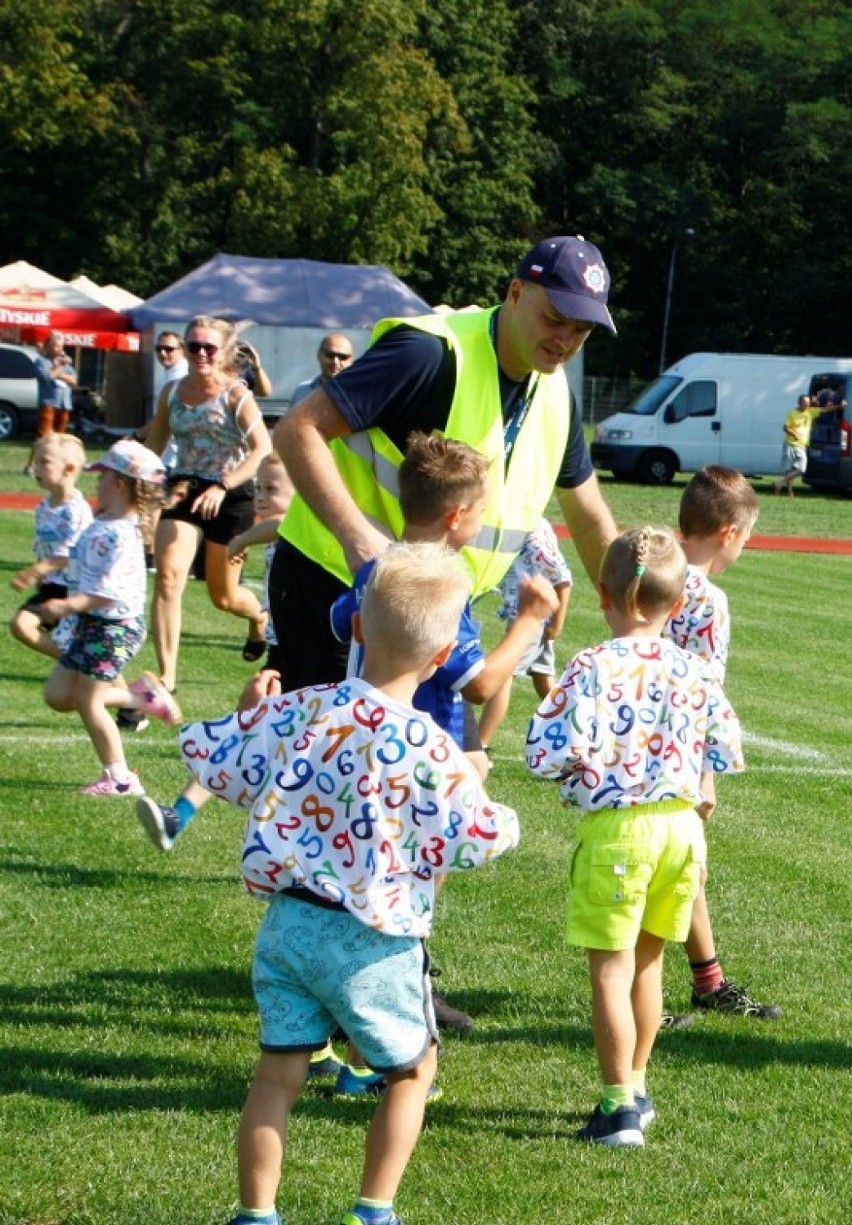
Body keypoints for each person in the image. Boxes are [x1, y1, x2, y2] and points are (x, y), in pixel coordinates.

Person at [176, 542, 520, 1225]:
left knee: (277, 1075)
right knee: (412, 1071)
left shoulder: (303, 709)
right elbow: (480, 837)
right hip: (375, 938)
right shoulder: (429, 745)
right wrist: (491, 802)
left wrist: (250, 709)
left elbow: (214, 761)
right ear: (443, 652)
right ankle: (372, 1210)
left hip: (289, 926)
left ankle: (256, 1213)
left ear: (356, 626)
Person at [269, 234, 618, 700]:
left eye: (582, 331)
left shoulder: (556, 396)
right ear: (515, 293)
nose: (565, 341)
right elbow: (297, 430)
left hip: (431, 610)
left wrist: (632, 619)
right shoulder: (428, 352)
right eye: (555, 319)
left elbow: (590, 518)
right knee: (337, 762)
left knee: (458, 766)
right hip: (333, 586)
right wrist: (359, 542)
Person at [526, 526, 744, 1146]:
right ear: (679, 607)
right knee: (650, 965)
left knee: (610, 971)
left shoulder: (591, 666)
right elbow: (724, 746)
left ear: (602, 594)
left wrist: (584, 769)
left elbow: (544, 753)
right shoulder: (695, 669)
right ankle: (638, 1085)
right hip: (682, 830)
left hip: (619, 831)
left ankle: (618, 1105)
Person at [662, 465, 780, 1021]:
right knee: (669, 867)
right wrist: (707, 770)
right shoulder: (707, 598)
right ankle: (650, 993)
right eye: (746, 539)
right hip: (675, 756)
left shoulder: (649, 569)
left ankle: (709, 980)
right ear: (730, 532)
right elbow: (704, 690)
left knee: (687, 868)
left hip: (631, 746)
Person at [35, 440, 183, 797]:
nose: (96, 482)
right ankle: (141, 698)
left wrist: (65, 607)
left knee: (89, 700)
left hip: (113, 629)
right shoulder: (104, 522)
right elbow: (79, 560)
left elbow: (109, 593)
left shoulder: (119, 534)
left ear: (119, 484)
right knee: (58, 695)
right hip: (91, 625)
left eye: (102, 477)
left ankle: (119, 779)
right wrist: (46, 569)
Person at [144, 315, 273, 692]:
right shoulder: (172, 393)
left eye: (208, 347)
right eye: (193, 346)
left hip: (231, 496)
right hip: (183, 489)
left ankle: (258, 620)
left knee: (223, 596)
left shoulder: (236, 395)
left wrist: (223, 484)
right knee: (168, 577)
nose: (200, 353)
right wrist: (140, 487)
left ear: (223, 353)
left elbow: (262, 449)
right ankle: (167, 676)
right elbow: (155, 446)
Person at [478, 516, 573, 753]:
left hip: (533, 618)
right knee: (543, 679)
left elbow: (562, 579)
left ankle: (480, 743)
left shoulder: (532, 532)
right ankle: (576, 737)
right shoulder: (515, 523)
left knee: (503, 676)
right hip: (527, 616)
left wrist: (557, 623)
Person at [10, 432, 93, 660]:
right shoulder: (44, 506)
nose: (36, 467)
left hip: (76, 592)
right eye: (36, 461)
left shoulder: (77, 510)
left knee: (99, 654)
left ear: (69, 469)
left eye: (44, 462)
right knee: (21, 625)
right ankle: (78, 661)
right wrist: (40, 575)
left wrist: (37, 570)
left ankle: (134, 693)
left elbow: (70, 552)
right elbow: (43, 546)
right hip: (51, 589)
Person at [25, 331, 77, 474]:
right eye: (55, 346)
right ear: (47, 346)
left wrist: (59, 373)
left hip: (64, 402)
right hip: (48, 401)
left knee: (60, 438)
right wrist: (60, 368)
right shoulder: (42, 361)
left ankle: (54, 465)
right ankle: (31, 465)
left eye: (60, 346)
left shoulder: (64, 362)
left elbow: (74, 380)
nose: (58, 349)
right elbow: (47, 377)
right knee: (43, 436)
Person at [773, 393, 836, 496]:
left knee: (801, 469)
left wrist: (840, 406)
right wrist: (795, 434)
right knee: (789, 471)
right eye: (805, 403)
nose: (807, 405)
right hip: (790, 444)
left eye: (808, 403)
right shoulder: (792, 413)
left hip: (801, 446)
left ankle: (779, 483)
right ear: (799, 403)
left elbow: (826, 410)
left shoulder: (810, 412)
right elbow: (785, 428)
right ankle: (789, 493)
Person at [290, 332, 354, 405]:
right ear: (319, 355)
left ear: (351, 361)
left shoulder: (360, 396)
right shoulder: (302, 392)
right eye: (330, 355)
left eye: (342, 357)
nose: (335, 362)